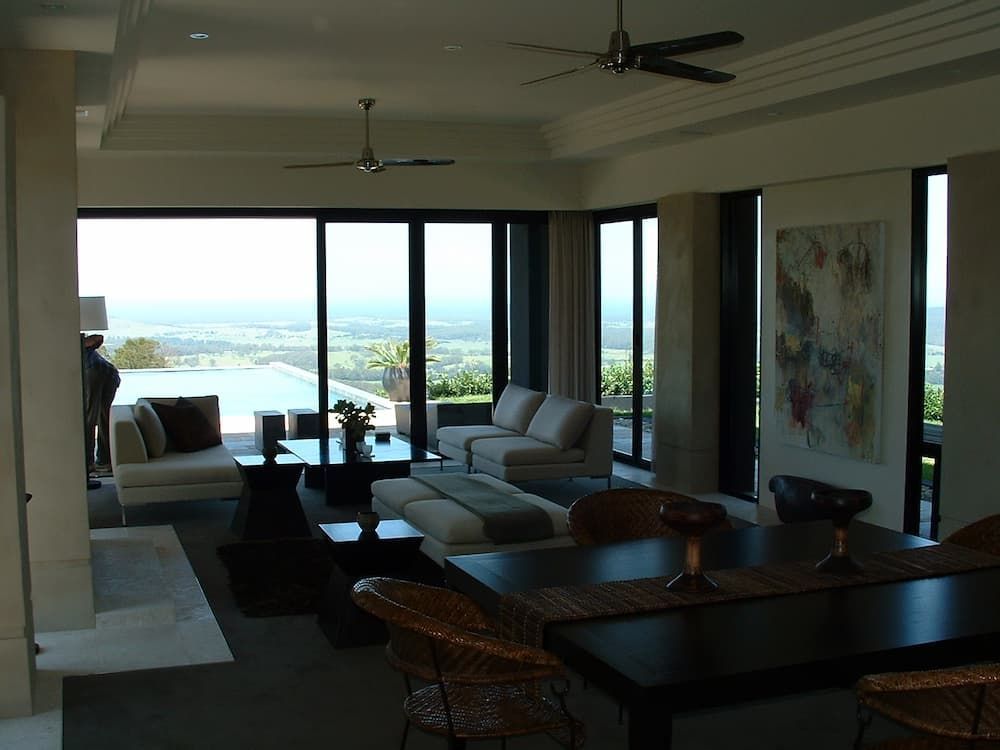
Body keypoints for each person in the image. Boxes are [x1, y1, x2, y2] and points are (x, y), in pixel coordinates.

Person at [83, 334, 121, 475]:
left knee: (94, 417)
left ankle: (94, 462)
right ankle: (99, 461)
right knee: (96, 417)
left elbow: (98, 338)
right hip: (104, 372)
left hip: (102, 372)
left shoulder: (77, 342)